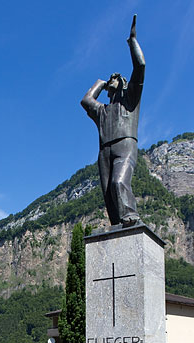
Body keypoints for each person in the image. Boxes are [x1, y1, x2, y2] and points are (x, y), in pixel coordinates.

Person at [81, 15, 145, 227]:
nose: (112, 80)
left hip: (125, 145)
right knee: (109, 193)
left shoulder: (130, 100)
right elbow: (86, 100)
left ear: (124, 83)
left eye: (115, 78)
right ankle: (118, 226)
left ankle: (131, 218)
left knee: (119, 183)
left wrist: (132, 41)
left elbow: (140, 65)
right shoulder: (102, 111)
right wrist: (100, 83)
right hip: (104, 151)